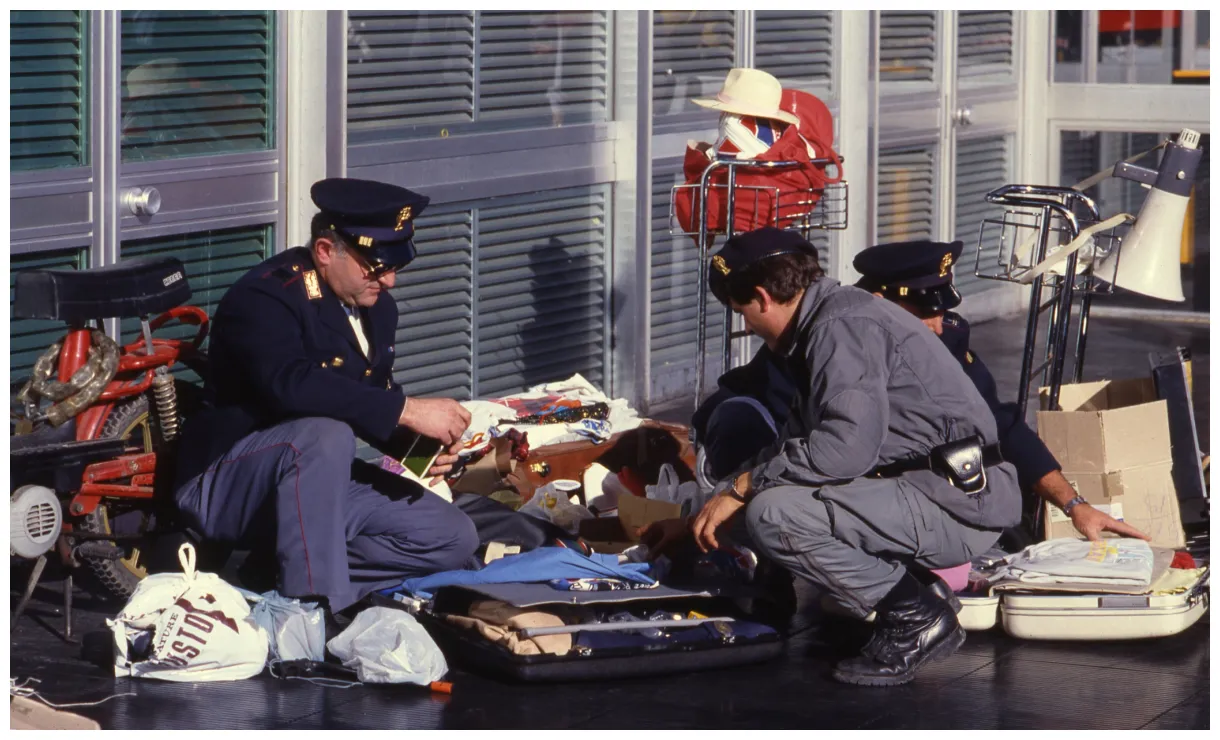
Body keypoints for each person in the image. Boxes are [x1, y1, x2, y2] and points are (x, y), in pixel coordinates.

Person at [647, 227, 1023, 687]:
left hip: (956, 504)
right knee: (753, 498)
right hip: (924, 489)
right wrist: (703, 515)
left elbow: (843, 449)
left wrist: (743, 489)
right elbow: (792, 448)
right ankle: (900, 590)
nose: (745, 323)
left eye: (740, 310)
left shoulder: (841, 328)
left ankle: (915, 617)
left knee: (774, 512)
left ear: (763, 297)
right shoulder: (824, 324)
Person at [172, 177, 559, 616]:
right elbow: (291, 385)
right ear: (324, 251)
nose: (390, 280)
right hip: (226, 482)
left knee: (452, 536)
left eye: (395, 265)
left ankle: (277, 577)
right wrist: (409, 410)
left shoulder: (374, 306)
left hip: (314, 481)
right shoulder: (265, 296)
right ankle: (311, 612)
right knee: (326, 434)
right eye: (375, 266)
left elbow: (369, 394)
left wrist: (424, 449)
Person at [851, 240, 1150, 545]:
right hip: (875, 500)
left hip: (948, 492)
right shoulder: (841, 348)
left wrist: (1075, 505)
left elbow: (999, 423)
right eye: (926, 314)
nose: (938, 327)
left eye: (942, 313)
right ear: (880, 302)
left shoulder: (947, 338)